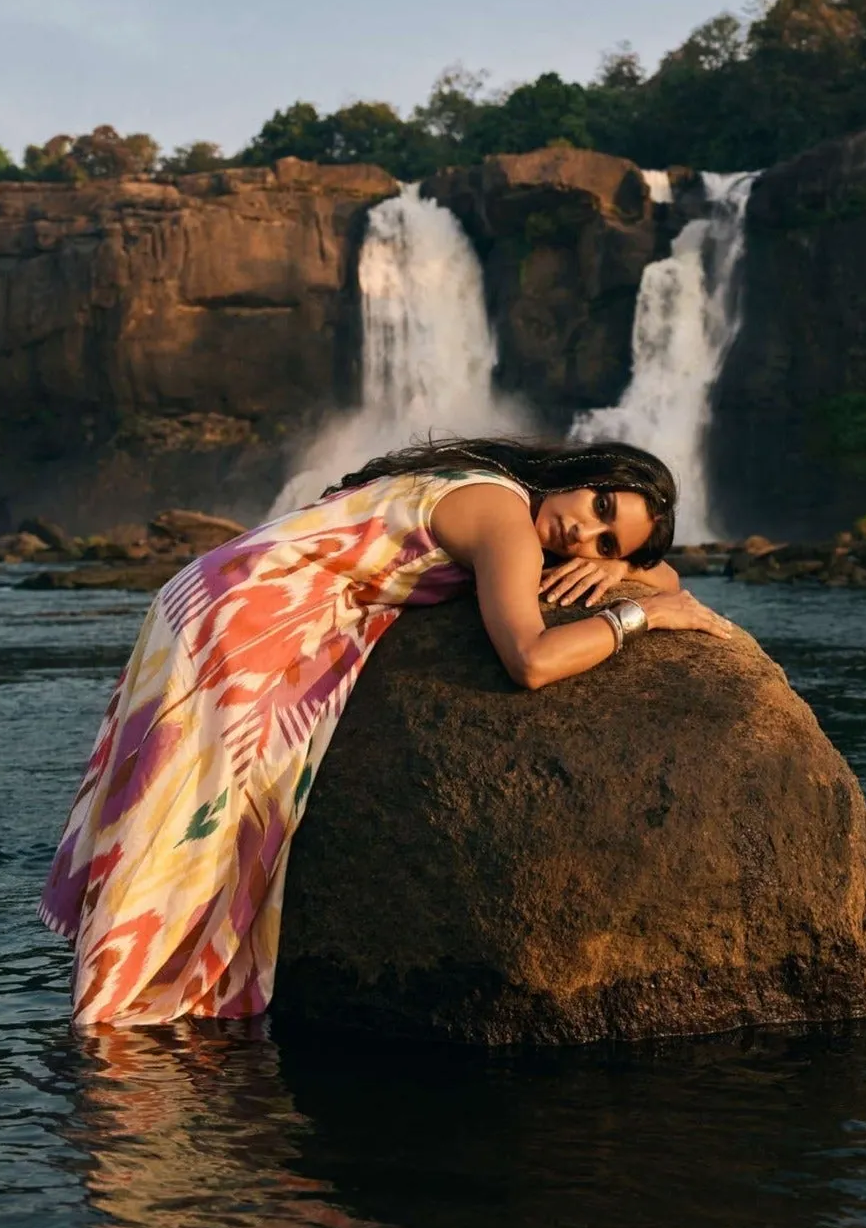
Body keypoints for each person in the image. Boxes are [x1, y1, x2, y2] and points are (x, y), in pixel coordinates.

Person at [39, 437, 732, 1027]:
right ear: (586, 474)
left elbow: (656, 569)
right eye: (599, 507)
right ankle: (119, 1016)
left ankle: (115, 1004)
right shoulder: (507, 525)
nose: (583, 534)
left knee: (179, 812)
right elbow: (532, 660)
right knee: (196, 827)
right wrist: (642, 618)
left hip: (210, 593)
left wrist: (624, 569)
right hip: (243, 621)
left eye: (606, 540)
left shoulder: (494, 484)